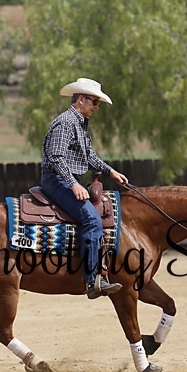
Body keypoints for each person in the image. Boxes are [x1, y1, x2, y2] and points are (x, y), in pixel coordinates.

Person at [41, 77, 129, 300]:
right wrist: (74, 184)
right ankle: (92, 280)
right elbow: (56, 157)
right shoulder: (65, 122)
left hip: (66, 179)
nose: (97, 107)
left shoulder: (80, 123)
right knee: (92, 218)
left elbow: (89, 155)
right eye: (95, 102)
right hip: (56, 180)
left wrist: (110, 171)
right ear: (81, 99)